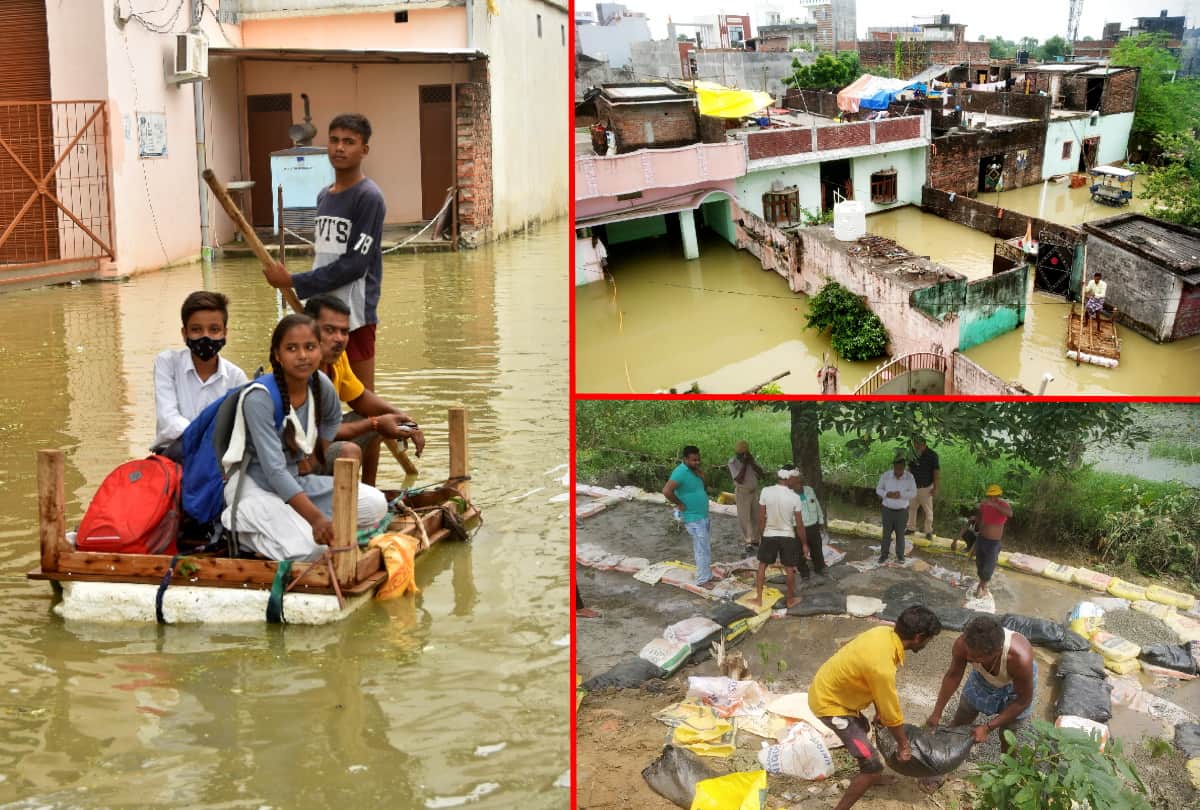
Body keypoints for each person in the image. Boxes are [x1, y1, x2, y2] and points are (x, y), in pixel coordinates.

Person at [221, 313, 387, 561]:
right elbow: (275, 472)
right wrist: (317, 519)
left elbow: (332, 420)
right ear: (277, 355)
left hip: (296, 483)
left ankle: (291, 523)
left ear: (320, 351)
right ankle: (241, 528)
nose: (302, 356)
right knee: (312, 550)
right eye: (291, 348)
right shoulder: (260, 398)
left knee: (376, 505)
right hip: (255, 489)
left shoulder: (321, 384)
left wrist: (316, 454)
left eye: (310, 347)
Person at [264, 113, 386, 390]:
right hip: (319, 313)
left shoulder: (369, 197)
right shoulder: (323, 196)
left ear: (364, 150)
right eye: (334, 140)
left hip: (355, 314)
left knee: (363, 397)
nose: (340, 148)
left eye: (349, 142)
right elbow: (326, 255)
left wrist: (295, 281)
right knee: (315, 392)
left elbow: (355, 265)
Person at [809, 605, 942, 810]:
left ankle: (869, 776)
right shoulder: (882, 667)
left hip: (832, 691)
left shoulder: (882, 633)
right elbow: (892, 714)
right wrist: (904, 744)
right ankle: (865, 781)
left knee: (863, 728)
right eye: (928, 639)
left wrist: (879, 709)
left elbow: (870, 679)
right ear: (918, 636)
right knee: (872, 766)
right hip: (830, 705)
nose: (928, 643)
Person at [303, 294, 425, 486]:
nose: (339, 339)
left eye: (344, 331)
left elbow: (359, 397)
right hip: (299, 458)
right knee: (350, 448)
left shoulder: (337, 359)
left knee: (373, 416)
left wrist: (402, 418)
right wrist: (376, 423)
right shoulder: (298, 368)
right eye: (329, 330)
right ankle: (340, 506)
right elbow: (310, 432)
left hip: (320, 440)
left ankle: (369, 491)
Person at [926, 615, 1036, 756]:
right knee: (961, 720)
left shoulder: (1019, 659)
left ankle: (1009, 768)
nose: (970, 659)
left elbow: (1023, 701)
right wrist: (937, 713)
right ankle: (947, 756)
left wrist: (988, 727)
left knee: (1007, 734)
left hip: (1014, 687)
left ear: (996, 652)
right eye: (969, 655)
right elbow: (953, 676)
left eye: (977, 657)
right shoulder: (963, 645)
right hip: (983, 677)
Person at [153, 291, 248, 452]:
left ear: (225, 333)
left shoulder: (236, 377)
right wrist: (204, 438)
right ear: (184, 334)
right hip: (173, 454)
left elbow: (240, 427)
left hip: (216, 458)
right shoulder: (167, 363)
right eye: (196, 330)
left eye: (214, 329)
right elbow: (168, 420)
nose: (206, 336)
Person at [750, 465, 806, 609]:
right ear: (790, 478)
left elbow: (761, 518)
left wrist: (762, 536)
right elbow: (799, 525)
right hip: (787, 536)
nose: (796, 481)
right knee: (789, 569)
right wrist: (805, 544)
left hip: (769, 534)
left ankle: (758, 598)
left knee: (762, 566)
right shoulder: (795, 497)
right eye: (795, 478)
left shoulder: (766, 491)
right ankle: (790, 600)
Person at [662, 445, 713, 588]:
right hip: (693, 517)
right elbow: (666, 491)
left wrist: (701, 475)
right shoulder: (680, 472)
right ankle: (703, 580)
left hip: (702, 514)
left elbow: (700, 488)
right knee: (701, 548)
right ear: (685, 459)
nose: (697, 462)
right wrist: (679, 503)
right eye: (693, 460)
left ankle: (707, 575)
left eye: (698, 460)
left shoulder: (694, 470)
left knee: (705, 546)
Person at [954, 484, 1012, 598]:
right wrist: (976, 519)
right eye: (990, 495)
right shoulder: (984, 505)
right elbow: (980, 516)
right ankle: (983, 583)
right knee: (980, 564)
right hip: (981, 539)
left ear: (999, 495)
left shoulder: (1003, 505)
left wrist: (995, 505)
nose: (991, 498)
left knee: (988, 566)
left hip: (993, 543)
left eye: (994, 496)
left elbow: (1010, 513)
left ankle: (983, 586)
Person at [876, 456, 916, 564]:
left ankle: (900, 556)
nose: (898, 471)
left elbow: (913, 493)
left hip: (902, 511)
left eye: (900, 469)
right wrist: (886, 494)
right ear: (893, 466)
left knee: (900, 535)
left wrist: (901, 495)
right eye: (896, 468)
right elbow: (878, 489)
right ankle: (883, 555)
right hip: (887, 509)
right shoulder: (886, 475)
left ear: (904, 467)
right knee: (886, 534)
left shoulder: (909, 477)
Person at [728, 440, 764, 551]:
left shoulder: (751, 462)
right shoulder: (732, 462)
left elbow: (761, 474)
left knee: (756, 516)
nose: (744, 456)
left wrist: (752, 463)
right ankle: (747, 541)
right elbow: (739, 479)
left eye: (746, 453)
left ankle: (755, 539)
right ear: (737, 454)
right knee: (744, 517)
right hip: (742, 492)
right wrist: (744, 464)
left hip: (754, 492)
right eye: (741, 454)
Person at [793, 468, 828, 579]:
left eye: (800, 482)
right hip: (798, 527)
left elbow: (816, 505)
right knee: (799, 551)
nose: (798, 485)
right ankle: (804, 572)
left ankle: (820, 568)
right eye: (796, 483)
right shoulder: (789, 496)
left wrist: (821, 521)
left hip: (813, 525)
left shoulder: (809, 490)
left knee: (817, 548)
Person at [906, 436, 940, 539]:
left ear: (924, 444)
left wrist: (936, 487)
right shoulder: (912, 454)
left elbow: (936, 472)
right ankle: (911, 528)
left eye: (917, 444)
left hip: (926, 488)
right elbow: (909, 470)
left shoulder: (932, 455)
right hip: (913, 487)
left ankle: (928, 531)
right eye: (914, 444)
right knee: (912, 508)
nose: (915, 446)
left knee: (928, 511)